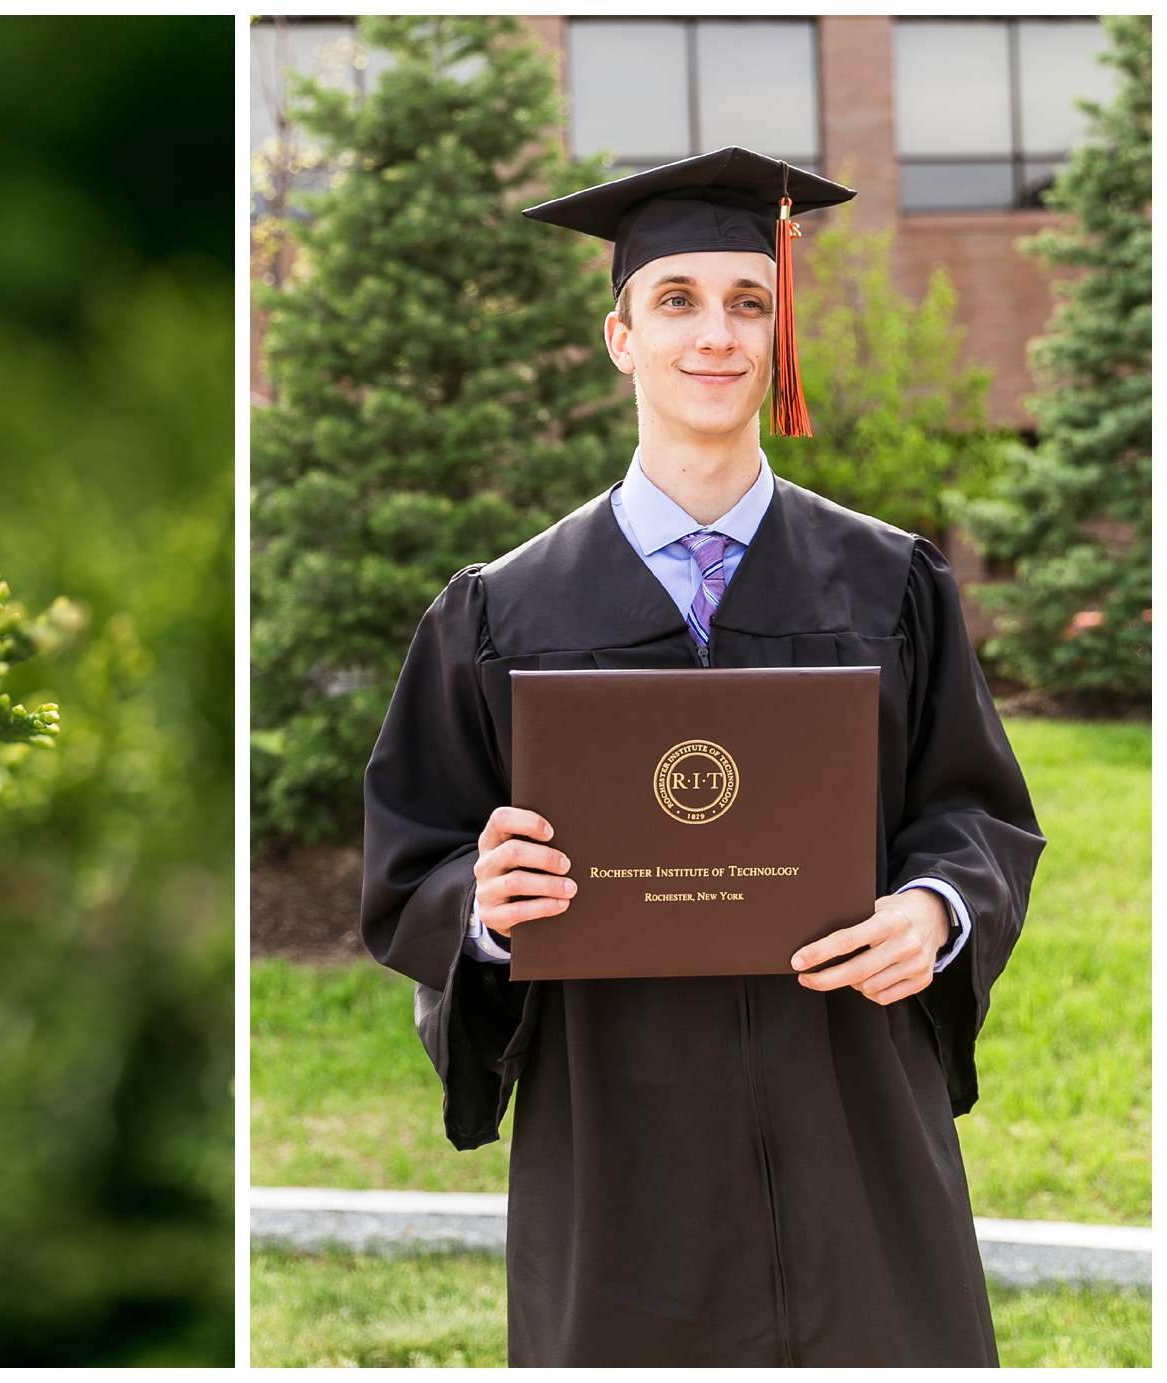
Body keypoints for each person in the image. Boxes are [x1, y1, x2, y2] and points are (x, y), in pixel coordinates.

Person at [359, 147, 1046, 1367]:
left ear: (778, 336)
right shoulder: (500, 613)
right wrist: (485, 905)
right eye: (676, 300)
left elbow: (975, 813)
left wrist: (935, 911)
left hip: (853, 1120)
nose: (714, 335)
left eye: (748, 303)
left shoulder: (888, 582)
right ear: (619, 334)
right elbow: (413, 864)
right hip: (618, 1134)